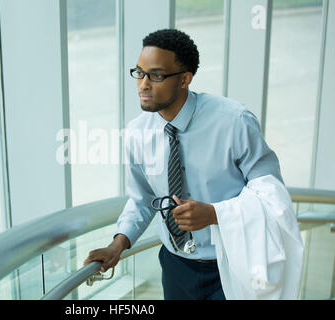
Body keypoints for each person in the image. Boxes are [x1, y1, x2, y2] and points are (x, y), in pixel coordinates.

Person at [83, 29, 304, 300]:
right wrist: (117, 245)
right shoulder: (136, 133)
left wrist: (214, 214)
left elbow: (272, 195)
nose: (142, 85)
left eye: (156, 75)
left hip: (231, 263)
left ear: (185, 79)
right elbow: (141, 200)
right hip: (175, 266)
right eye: (139, 73)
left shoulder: (234, 121)